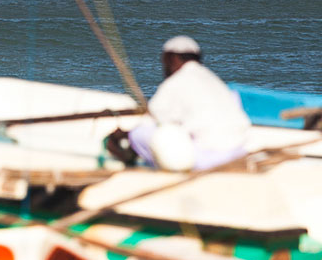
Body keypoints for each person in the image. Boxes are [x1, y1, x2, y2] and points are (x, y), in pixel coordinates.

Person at [105, 36, 250, 171]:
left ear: (171, 58)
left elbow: (152, 121)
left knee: (139, 133)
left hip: (207, 158)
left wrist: (122, 136)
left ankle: (148, 166)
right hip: (238, 151)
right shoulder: (214, 81)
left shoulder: (175, 82)